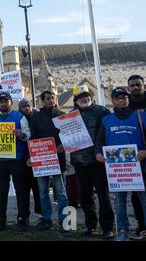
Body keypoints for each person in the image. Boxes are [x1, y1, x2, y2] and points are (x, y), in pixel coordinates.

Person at [95, 87, 146, 241]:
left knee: (144, 201)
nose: (122, 100)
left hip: (140, 168)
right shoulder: (106, 120)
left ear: (128, 99)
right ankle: (123, 230)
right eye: (118, 98)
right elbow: (99, 141)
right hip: (117, 170)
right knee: (119, 202)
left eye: (124, 97)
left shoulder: (141, 115)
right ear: (113, 100)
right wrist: (98, 153)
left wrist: (145, 150)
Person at [69, 85, 114, 239]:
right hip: (79, 163)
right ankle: (91, 226)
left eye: (87, 95)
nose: (85, 98)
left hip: (97, 162)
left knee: (103, 196)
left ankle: (107, 228)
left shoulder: (102, 111)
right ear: (76, 100)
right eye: (81, 96)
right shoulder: (70, 116)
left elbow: (108, 134)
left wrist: (103, 153)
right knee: (85, 197)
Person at [0, 93, 31, 232]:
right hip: (1, 160)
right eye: (1, 101)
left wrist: (22, 134)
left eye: (6, 101)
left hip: (17, 159)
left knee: (20, 190)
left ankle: (22, 219)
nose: (3, 104)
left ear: (11, 103)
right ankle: (1, 220)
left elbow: (28, 134)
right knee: (3, 191)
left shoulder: (19, 116)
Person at [30, 91, 69, 231]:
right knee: (43, 192)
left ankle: (64, 221)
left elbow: (68, 135)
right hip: (42, 159)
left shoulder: (62, 115)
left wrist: (63, 145)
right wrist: (32, 156)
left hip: (58, 159)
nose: (51, 100)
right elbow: (33, 137)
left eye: (52, 98)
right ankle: (47, 220)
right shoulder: (36, 117)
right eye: (47, 98)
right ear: (42, 101)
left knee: (61, 192)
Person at [127, 74, 146, 240]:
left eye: (138, 85)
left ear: (143, 85)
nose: (135, 87)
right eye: (132, 85)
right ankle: (142, 227)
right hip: (135, 159)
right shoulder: (126, 107)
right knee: (137, 195)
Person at [18, 99, 41, 220]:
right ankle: (24, 215)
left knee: (37, 188)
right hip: (22, 159)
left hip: (35, 156)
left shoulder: (36, 118)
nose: (26, 108)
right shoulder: (17, 119)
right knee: (24, 189)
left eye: (28, 106)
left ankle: (39, 214)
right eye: (23, 107)